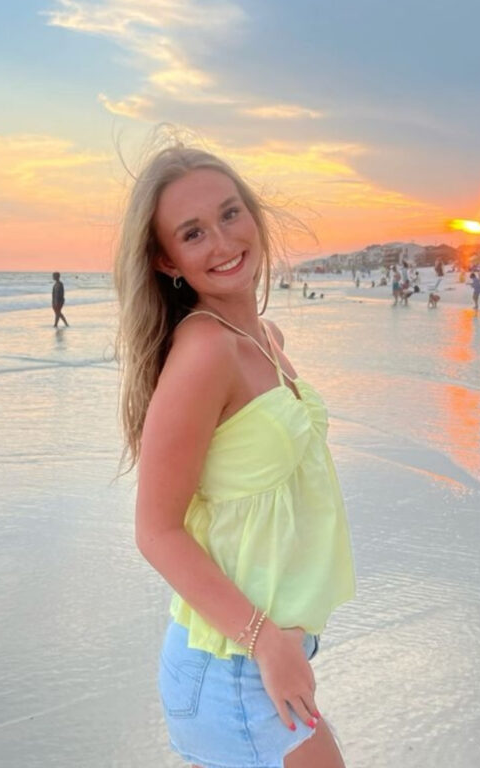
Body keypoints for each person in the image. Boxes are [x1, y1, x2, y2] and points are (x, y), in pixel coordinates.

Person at [114, 143, 355, 768]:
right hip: (235, 666)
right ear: (167, 258)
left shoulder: (264, 336)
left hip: (267, 654)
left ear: (253, 213)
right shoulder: (205, 352)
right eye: (193, 233)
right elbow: (156, 529)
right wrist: (267, 644)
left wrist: (281, 646)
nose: (222, 242)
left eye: (230, 214)